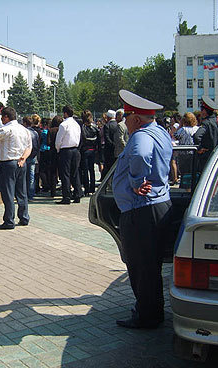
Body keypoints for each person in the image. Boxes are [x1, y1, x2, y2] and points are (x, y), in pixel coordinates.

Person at [113, 89, 172, 329]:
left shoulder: (140, 136)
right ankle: (152, 311)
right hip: (158, 206)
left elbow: (139, 154)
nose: (124, 122)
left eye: (126, 117)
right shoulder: (161, 132)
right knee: (151, 266)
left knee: (141, 267)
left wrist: (137, 182)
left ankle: (147, 316)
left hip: (141, 210)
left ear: (136, 118)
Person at [0, 106, 31, 229]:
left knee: (8, 193)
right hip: (21, 162)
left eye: (2, 117)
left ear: (6, 117)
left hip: (8, 163)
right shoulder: (24, 130)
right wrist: (24, 157)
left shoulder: (7, 129)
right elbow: (29, 147)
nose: (1, 120)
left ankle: (9, 220)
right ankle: (24, 217)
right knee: (21, 192)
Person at [55, 105, 82, 204]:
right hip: (75, 149)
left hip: (66, 150)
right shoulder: (76, 124)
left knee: (65, 174)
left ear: (65, 113)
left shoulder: (63, 125)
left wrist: (58, 149)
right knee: (75, 173)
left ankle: (66, 196)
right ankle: (77, 194)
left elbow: (59, 140)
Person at [193, 96, 218, 171]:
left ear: (205, 111)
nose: (201, 112)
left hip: (207, 156)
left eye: (201, 110)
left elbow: (197, 136)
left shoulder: (206, 123)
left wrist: (200, 148)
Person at [80, 110, 100, 196]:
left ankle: (86, 188)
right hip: (93, 150)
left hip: (85, 150)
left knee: (85, 170)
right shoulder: (95, 127)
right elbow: (98, 139)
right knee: (91, 170)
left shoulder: (82, 127)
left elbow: (82, 138)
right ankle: (92, 187)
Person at [173, 112, 199, 177]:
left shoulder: (183, 130)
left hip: (183, 154)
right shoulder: (197, 129)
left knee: (184, 173)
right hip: (195, 153)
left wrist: (180, 125)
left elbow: (175, 136)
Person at [22, 116, 40, 201]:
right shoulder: (35, 133)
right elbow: (37, 145)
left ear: (25, 123)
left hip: (24, 156)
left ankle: (23, 194)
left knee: (23, 176)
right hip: (32, 156)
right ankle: (31, 195)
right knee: (31, 177)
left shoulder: (23, 132)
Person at [48, 116, 63, 197]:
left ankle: (52, 191)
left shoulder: (51, 130)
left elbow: (48, 142)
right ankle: (64, 189)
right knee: (63, 172)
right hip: (61, 152)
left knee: (53, 173)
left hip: (52, 152)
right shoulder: (61, 130)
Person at [102, 109, 117, 179]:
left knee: (108, 167)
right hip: (117, 149)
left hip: (109, 150)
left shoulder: (107, 125)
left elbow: (107, 138)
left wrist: (112, 145)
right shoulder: (118, 124)